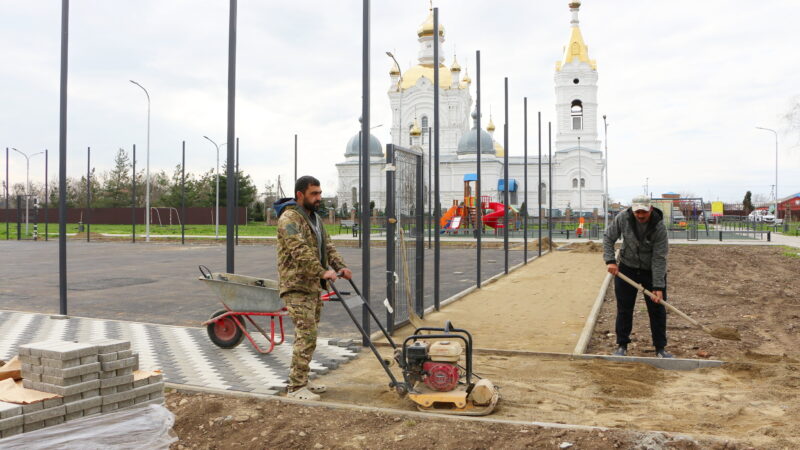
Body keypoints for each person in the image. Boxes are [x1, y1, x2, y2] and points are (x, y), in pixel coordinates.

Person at [274, 176, 352, 400]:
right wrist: (322, 272)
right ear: (300, 195)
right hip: (296, 285)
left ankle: (303, 381)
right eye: (314, 194)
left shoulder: (315, 218)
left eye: (319, 193)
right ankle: (295, 387)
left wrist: (341, 267)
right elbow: (299, 251)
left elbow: (328, 246)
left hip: (312, 287)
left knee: (311, 335)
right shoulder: (289, 219)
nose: (319, 197)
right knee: (306, 335)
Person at [602, 195, 672, 358]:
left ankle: (660, 348)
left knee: (657, 309)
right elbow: (608, 237)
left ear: (650, 209)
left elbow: (659, 257)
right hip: (627, 268)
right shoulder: (623, 218)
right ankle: (622, 345)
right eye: (637, 212)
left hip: (650, 271)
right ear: (632, 209)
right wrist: (610, 260)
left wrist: (658, 286)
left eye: (644, 212)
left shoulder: (659, 227)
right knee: (624, 308)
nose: (640, 215)